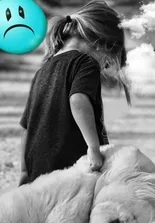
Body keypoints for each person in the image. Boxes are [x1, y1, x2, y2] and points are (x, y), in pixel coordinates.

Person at [19, 0, 130, 186]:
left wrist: (24, 170)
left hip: (38, 170)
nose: (104, 66)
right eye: (108, 61)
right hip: (71, 168)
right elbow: (78, 100)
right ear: (101, 43)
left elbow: (26, 126)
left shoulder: (43, 69)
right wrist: (94, 148)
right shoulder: (86, 63)